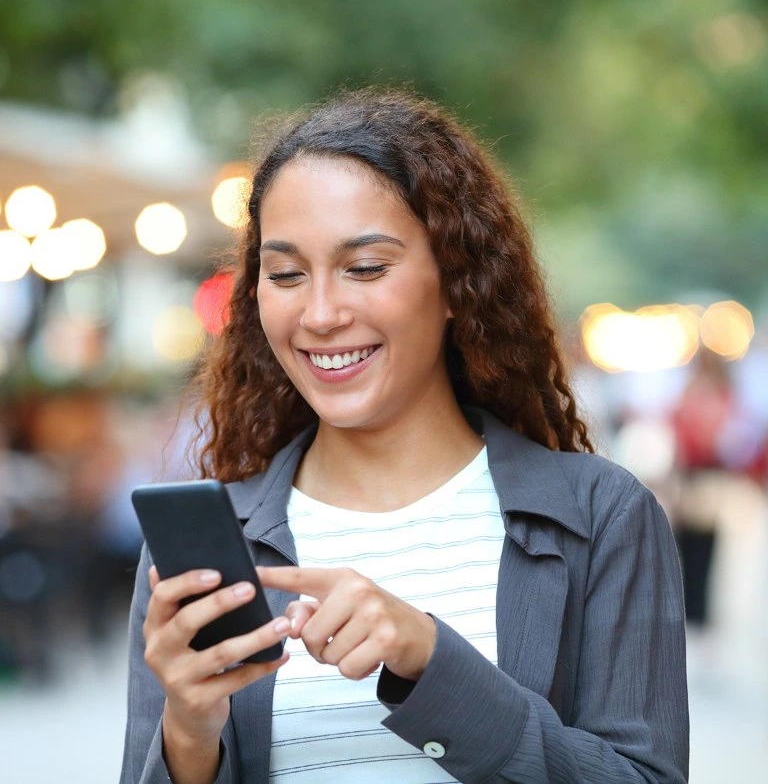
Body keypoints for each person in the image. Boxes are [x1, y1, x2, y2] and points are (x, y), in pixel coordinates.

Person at [120, 89, 688, 783]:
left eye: (364, 268)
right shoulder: (211, 548)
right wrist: (189, 732)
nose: (321, 313)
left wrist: (430, 659)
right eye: (287, 273)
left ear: (456, 281)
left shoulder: (601, 516)